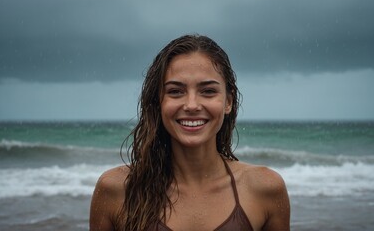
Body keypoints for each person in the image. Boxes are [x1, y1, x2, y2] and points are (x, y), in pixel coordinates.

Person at [90, 34, 290, 231]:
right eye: (176, 91)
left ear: (228, 101)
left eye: (208, 91)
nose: (192, 105)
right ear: (158, 101)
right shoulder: (116, 190)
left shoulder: (264, 189)